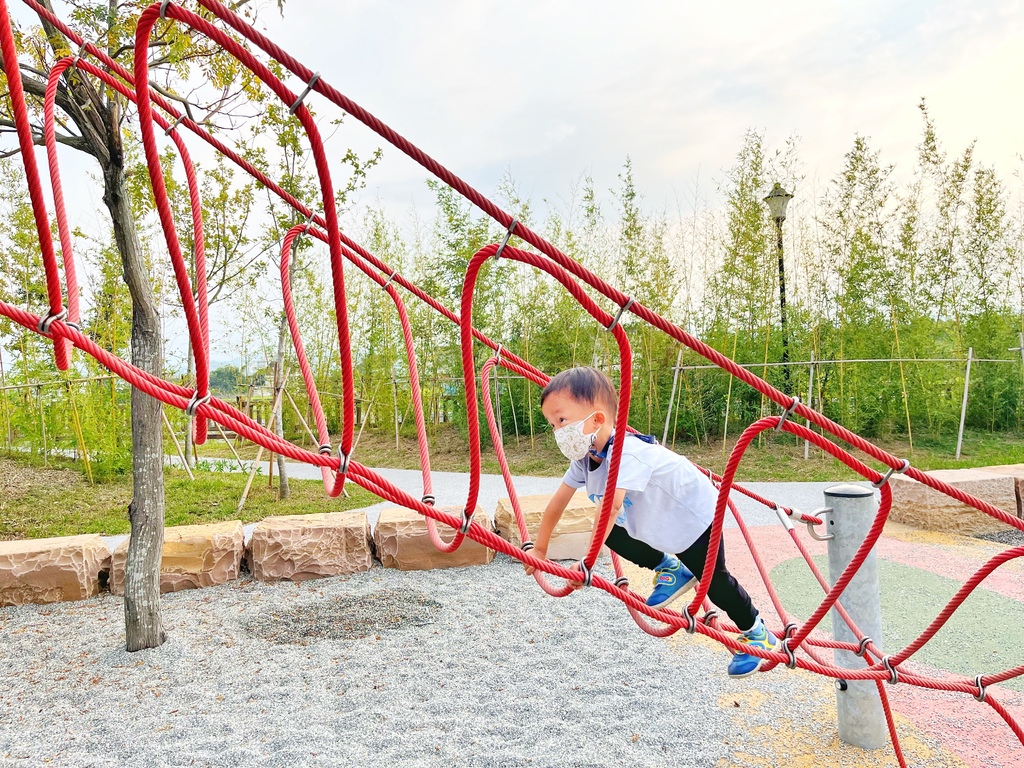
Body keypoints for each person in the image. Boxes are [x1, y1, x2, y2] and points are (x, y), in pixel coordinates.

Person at [525, 366, 777, 678]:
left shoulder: (627, 452)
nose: (557, 432)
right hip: (664, 526)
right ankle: (669, 568)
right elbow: (557, 504)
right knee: (614, 535)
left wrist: (585, 561)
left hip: (695, 518)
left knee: (716, 584)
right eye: (552, 425)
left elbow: (613, 505)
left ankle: (756, 631)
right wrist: (539, 548)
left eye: (562, 421)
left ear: (597, 419)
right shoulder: (587, 459)